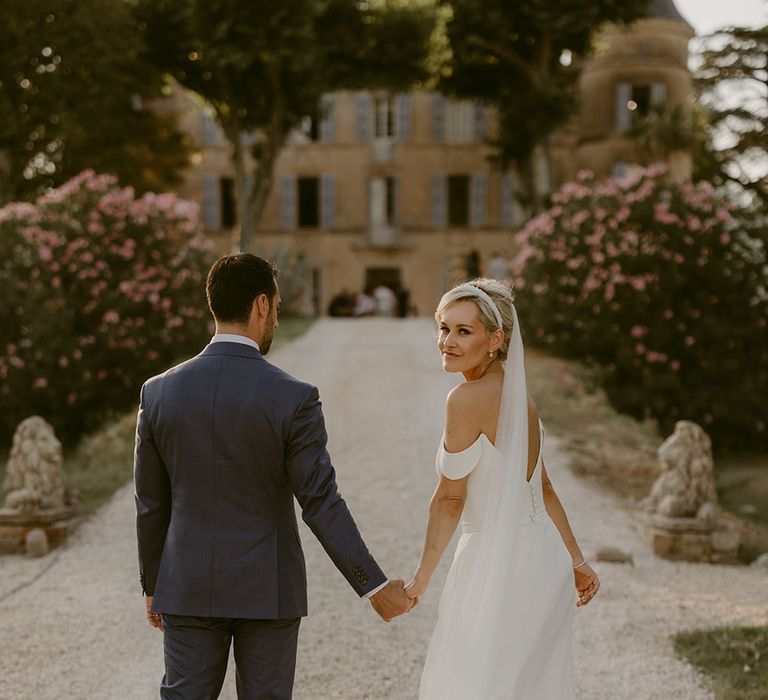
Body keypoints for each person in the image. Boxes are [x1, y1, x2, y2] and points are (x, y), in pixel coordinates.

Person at [134, 254, 414, 699]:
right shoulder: (294, 398)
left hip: (186, 585)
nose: (276, 320)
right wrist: (373, 586)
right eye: (278, 309)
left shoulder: (159, 391)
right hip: (269, 589)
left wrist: (153, 584)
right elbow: (320, 501)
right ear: (262, 305)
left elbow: (151, 503)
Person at [405, 278, 599, 699]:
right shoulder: (520, 399)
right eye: (444, 328)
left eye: (463, 331)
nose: (447, 341)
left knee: (474, 684)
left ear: (496, 339)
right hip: (544, 562)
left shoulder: (465, 399)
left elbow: (450, 499)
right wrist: (576, 561)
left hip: (496, 563)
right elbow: (542, 488)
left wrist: (420, 580)